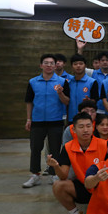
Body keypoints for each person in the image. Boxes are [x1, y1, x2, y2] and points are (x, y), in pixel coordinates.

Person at [47, 112, 108, 214]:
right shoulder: (68, 147)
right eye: (81, 127)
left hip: (103, 187)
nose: (85, 130)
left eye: (88, 126)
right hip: (83, 186)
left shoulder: (104, 145)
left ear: (93, 127)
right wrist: (56, 166)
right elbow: (63, 176)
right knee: (58, 185)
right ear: (74, 129)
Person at [23, 54, 70, 188]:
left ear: (55, 66)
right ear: (41, 65)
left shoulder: (62, 82)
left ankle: (54, 174)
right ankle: (35, 175)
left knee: (55, 149)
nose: (49, 65)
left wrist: (60, 93)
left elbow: (67, 101)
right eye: (46, 63)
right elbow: (29, 102)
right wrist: (29, 119)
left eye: (51, 63)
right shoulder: (33, 82)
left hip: (56, 120)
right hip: (37, 121)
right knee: (35, 148)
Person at [67, 54, 100, 120]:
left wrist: (89, 101)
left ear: (85, 66)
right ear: (72, 67)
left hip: (87, 118)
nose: (78, 66)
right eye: (75, 64)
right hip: (71, 117)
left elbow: (95, 99)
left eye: (81, 64)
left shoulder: (92, 82)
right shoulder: (68, 83)